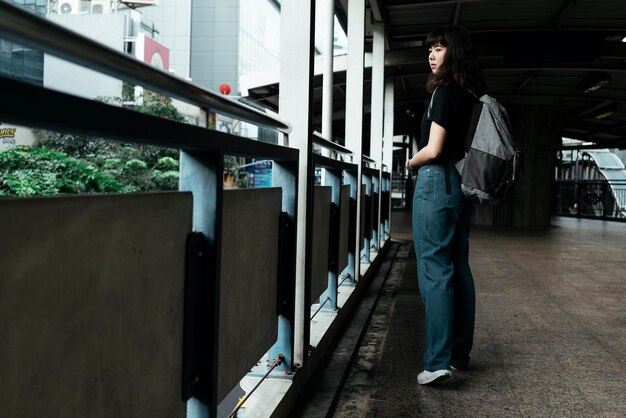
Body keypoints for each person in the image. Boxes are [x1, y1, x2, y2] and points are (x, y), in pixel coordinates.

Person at [406, 25, 486, 385]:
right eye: (431, 49)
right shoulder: (472, 95)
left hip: (436, 181)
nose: (432, 54)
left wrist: (410, 162)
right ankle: (458, 355)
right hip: (461, 186)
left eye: (439, 48)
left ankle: (436, 362)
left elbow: (434, 149)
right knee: (458, 268)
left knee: (435, 271)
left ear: (454, 53)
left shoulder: (443, 94)